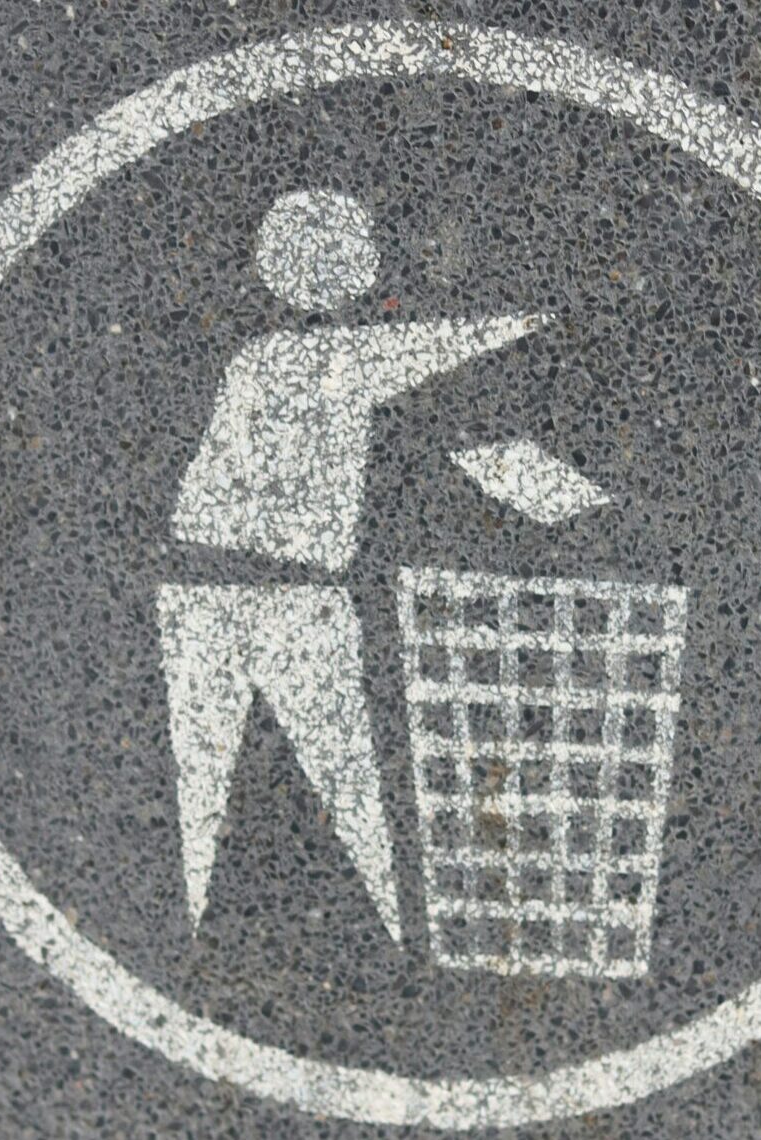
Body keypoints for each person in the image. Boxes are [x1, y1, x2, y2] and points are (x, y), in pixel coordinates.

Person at [159, 190, 546, 940]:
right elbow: (410, 354)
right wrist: (520, 323)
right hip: (282, 589)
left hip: (228, 583)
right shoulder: (301, 358)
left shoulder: (268, 357)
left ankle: (332, 923)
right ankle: (376, 928)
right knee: (327, 770)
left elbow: (405, 369)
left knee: (245, 766)